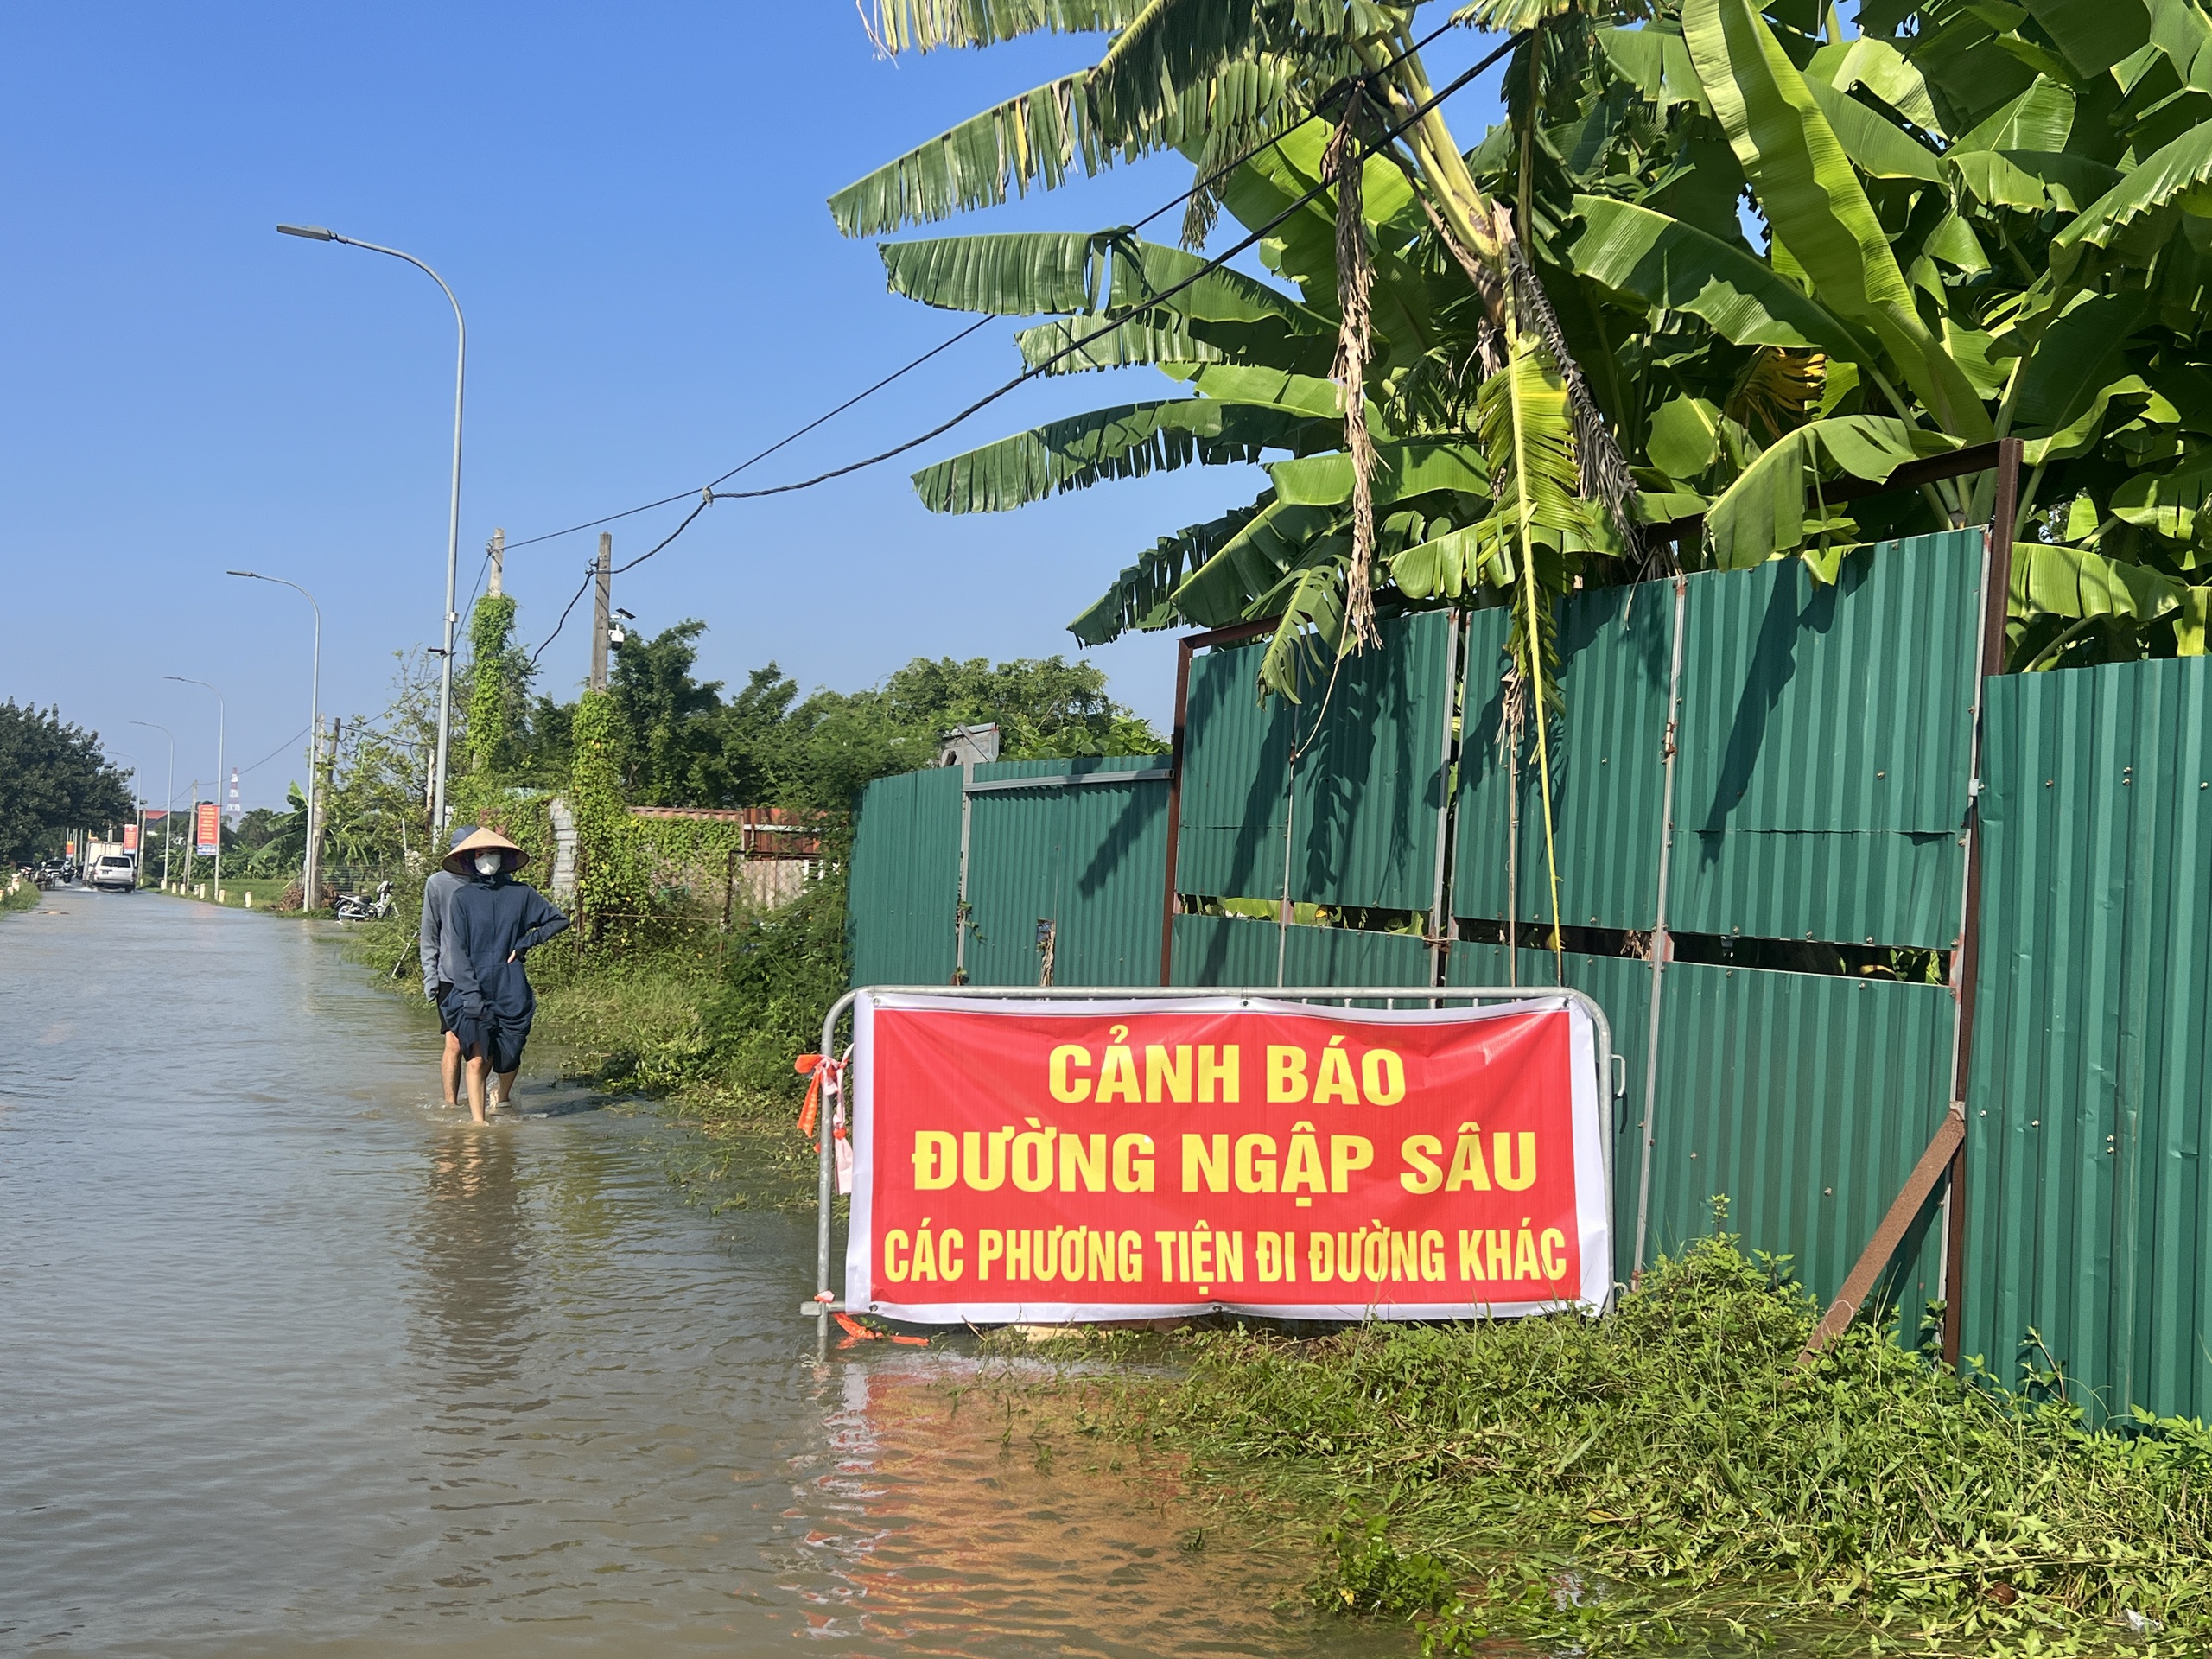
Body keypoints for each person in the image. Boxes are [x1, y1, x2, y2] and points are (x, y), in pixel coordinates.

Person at [435, 826, 570, 1123]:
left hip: (511, 988)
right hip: (473, 988)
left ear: (503, 857)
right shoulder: (462, 898)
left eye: (492, 853)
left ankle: (503, 1099)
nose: (487, 859)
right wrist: (470, 996)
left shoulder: (522, 894)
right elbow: (458, 951)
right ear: (471, 860)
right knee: (477, 1058)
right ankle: (478, 1124)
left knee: (510, 1055)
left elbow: (558, 920)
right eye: (481, 854)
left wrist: (525, 943)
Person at [418, 824, 478, 1109]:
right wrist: (430, 977)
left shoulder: (491, 882)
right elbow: (429, 933)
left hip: (484, 974)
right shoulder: (437, 883)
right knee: (453, 1042)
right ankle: (451, 1105)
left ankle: (479, 1102)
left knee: (481, 1045)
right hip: (449, 976)